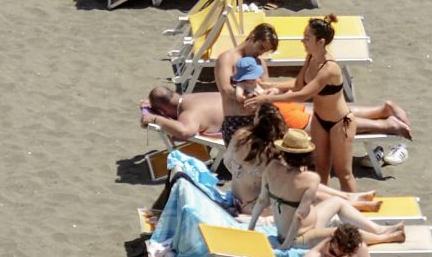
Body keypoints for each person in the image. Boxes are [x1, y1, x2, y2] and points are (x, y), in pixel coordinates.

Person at [245, 16, 356, 191]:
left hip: (340, 122)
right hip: (320, 119)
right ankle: (319, 206)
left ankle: (354, 211)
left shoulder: (330, 68)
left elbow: (303, 94)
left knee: (344, 173)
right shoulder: (310, 57)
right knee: (320, 169)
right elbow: (298, 84)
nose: (302, 40)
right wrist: (270, 85)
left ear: (321, 42)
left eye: (307, 38)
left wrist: (267, 98)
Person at [247, 129, 406, 249]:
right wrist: (286, 245)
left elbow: (261, 201)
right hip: (300, 237)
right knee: (343, 233)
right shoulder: (310, 178)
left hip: (296, 230)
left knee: (337, 201)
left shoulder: (271, 167)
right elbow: (299, 215)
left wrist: (250, 229)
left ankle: (379, 229)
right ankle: (385, 237)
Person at [226, 105, 382, 215]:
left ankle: (349, 198)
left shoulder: (240, 136)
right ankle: (349, 198)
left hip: (240, 199)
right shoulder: (272, 152)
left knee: (300, 182)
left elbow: (227, 163)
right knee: (302, 183)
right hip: (254, 207)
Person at [140, 88, 412, 144]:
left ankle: (389, 125)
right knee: (321, 112)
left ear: (165, 110)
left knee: (327, 123)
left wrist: (155, 119)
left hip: (273, 117)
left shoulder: (189, 113)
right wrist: (154, 107)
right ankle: (382, 109)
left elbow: (186, 131)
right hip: (271, 104)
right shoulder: (193, 97)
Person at [216, 23, 283, 152]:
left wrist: (270, 92)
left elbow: (264, 86)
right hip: (236, 118)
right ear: (252, 37)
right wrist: (248, 97)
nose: (260, 53)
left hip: (259, 118)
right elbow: (225, 89)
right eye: (260, 47)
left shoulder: (259, 62)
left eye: (265, 50)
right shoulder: (227, 58)